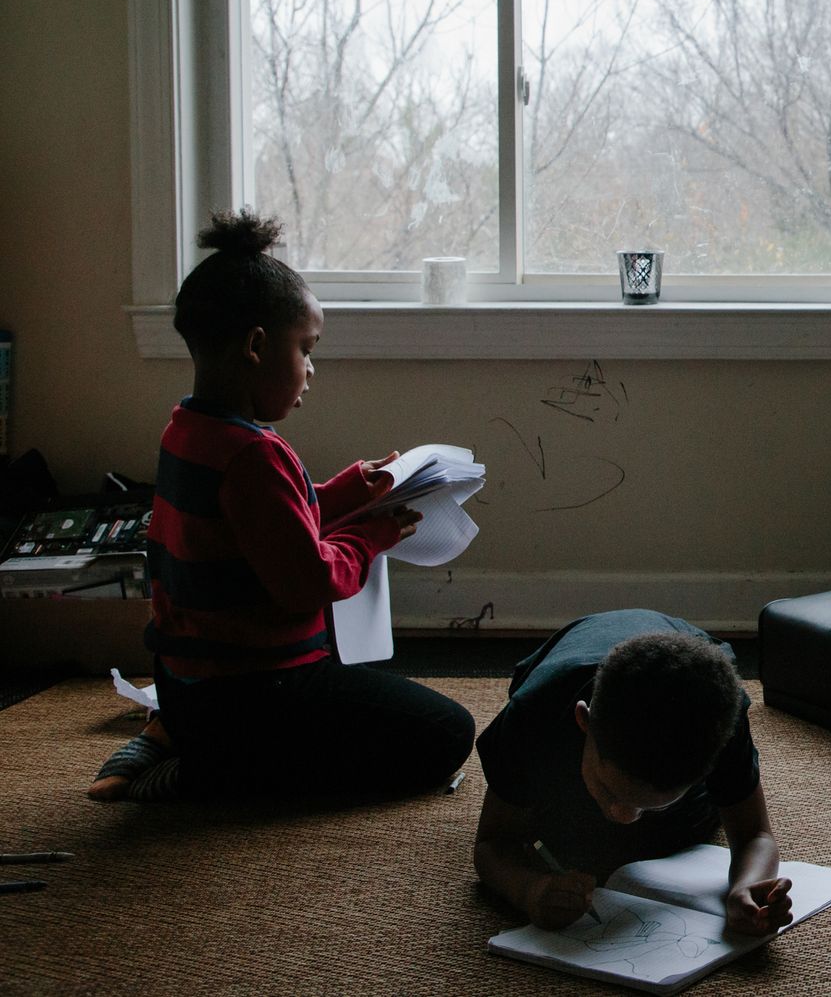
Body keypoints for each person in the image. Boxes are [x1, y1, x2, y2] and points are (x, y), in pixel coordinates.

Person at [88, 210, 475, 804]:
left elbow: (265, 529)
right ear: (256, 346)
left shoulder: (187, 432)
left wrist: (352, 490)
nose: (310, 370)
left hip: (189, 683)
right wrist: (371, 537)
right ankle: (212, 774)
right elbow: (307, 579)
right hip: (259, 693)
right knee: (448, 732)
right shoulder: (254, 456)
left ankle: (174, 732)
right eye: (306, 349)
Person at [472, 609, 794, 937]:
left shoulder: (717, 723)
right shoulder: (535, 717)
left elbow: (755, 834)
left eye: (653, 804)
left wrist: (746, 887)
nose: (623, 817)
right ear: (584, 722)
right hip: (557, 723)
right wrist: (528, 890)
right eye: (610, 790)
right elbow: (491, 843)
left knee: (675, 828)